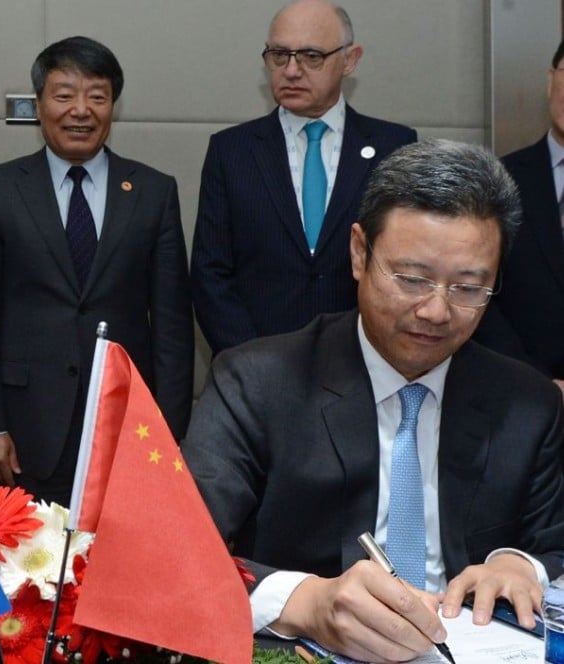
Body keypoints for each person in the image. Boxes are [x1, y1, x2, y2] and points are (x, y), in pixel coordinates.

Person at [183, 140, 564, 662]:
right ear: (360, 253)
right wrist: (304, 602)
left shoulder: (527, 403)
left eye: (468, 287)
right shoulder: (257, 383)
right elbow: (176, 546)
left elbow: (554, 540)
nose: (436, 311)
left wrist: (521, 565)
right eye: (412, 279)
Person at [0, 36, 193, 506]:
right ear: (40, 103)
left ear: (113, 106)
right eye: (64, 95)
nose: (80, 110)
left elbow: (172, 326)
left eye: (97, 97)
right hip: (24, 431)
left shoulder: (153, 192)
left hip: (128, 426)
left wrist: (167, 430)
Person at [190, 0, 416, 356]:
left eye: (311, 56)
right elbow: (210, 272)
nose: (291, 71)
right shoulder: (231, 151)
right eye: (279, 55)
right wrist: (252, 364)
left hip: (364, 361)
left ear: (350, 59)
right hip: (257, 361)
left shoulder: (394, 146)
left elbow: (408, 265)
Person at [473, 38, 564, 392]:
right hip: (516, 390)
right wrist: (539, 384)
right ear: (550, 79)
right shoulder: (498, 180)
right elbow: (477, 290)